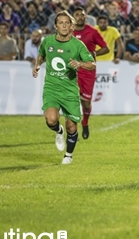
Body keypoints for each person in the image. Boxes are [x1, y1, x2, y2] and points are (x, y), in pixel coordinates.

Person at [32, 11, 96, 165]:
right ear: (55, 26)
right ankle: (58, 131)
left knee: (71, 126)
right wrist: (37, 65)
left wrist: (80, 64)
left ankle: (68, 155)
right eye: (61, 22)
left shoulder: (77, 45)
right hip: (52, 88)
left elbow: (92, 63)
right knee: (51, 119)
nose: (64, 25)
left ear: (72, 26)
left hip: (70, 91)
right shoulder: (47, 41)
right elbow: (41, 54)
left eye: (67, 22)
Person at [72, 7, 110, 139]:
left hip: (88, 70)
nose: (80, 17)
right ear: (73, 17)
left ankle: (85, 122)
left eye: (82, 15)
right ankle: (73, 130)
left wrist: (95, 53)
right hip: (73, 70)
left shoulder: (92, 32)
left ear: (85, 17)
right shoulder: (68, 32)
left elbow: (106, 48)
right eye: (77, 15)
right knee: (72, 100)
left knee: (86, 103)